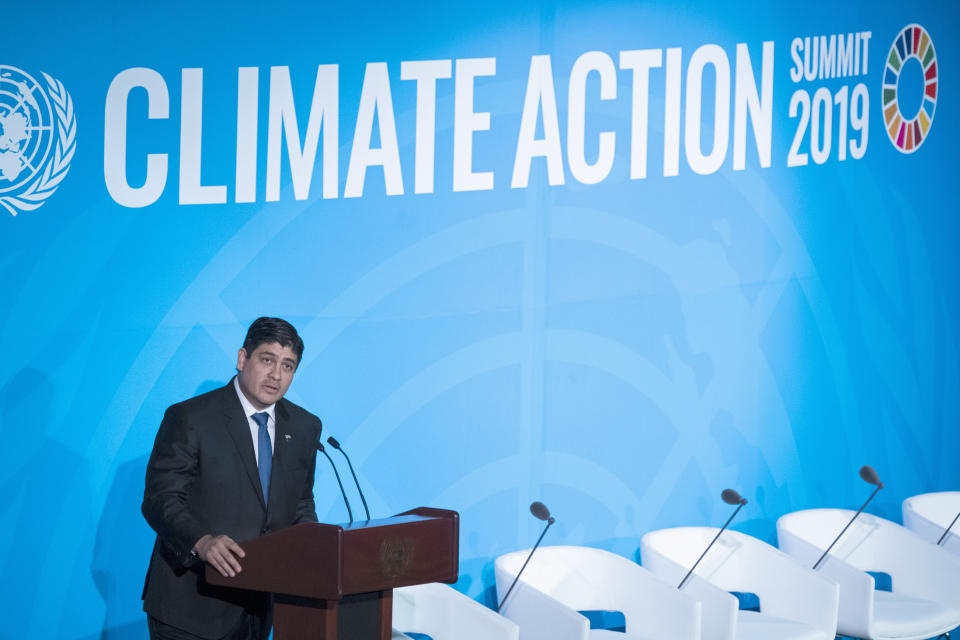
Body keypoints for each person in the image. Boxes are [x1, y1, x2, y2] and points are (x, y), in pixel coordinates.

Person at [141, 317, 322, 640]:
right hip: (190, 607)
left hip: (257, 609)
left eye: (288, 366)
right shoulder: (190, 417)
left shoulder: (305, 426)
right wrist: (202, 541)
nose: (276, 375)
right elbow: (161, 499)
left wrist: (314, 546)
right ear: (242, 358)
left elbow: (301, 502)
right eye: (267, 360)